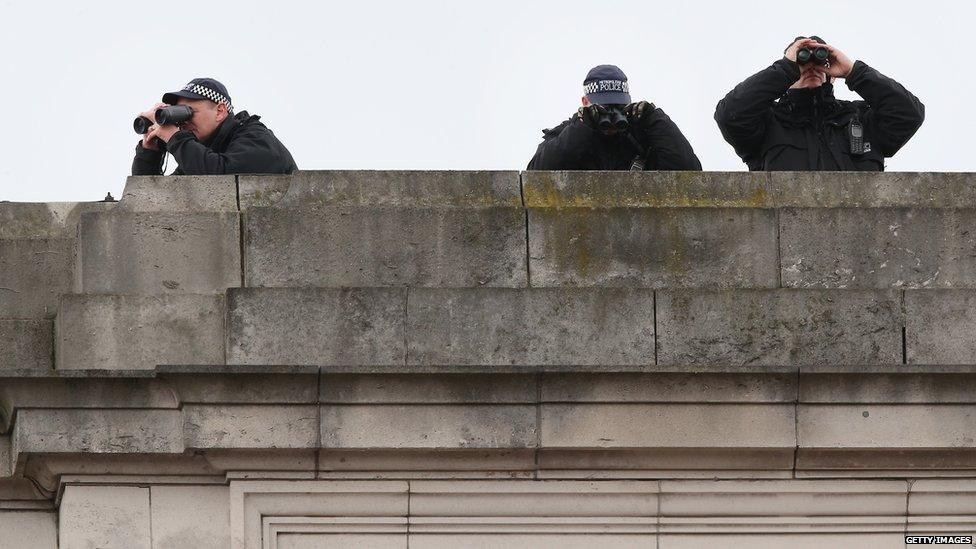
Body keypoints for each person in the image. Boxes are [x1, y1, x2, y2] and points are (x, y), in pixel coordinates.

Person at [714, 36, 924, 171]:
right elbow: (730, 115)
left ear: (831, 77)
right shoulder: (768, 123)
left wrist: (853, 72)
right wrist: (786, 69)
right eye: (803, 62)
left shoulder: (859, 118)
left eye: (819, 63)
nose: (810, 67)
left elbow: (909, 114)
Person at [527, 65, 701, 170]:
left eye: (617, 106)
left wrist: (655, 120)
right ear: (584, 102)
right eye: (603, 107)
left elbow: (691, 172)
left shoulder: (644, 136)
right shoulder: (568, 134)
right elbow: (535, 174)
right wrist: (583, 128)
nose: (610, 115)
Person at [132, 78, 297, 175]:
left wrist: (174, 137)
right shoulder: (203, 152)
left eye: (189, 112)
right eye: (179, 114)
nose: (183, 122)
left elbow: (221, 178)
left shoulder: (256, 137)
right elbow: (155, 199)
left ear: (220, 111)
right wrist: (150, 151)